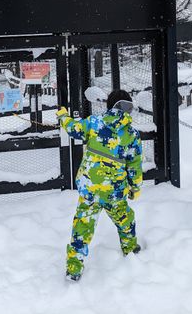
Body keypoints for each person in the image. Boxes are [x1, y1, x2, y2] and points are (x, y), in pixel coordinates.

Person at [56, 89, 142, 282]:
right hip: (115, 191)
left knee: (82, 226)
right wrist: (135, 187)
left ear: (110, 106)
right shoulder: (131, 134)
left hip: (90, 188)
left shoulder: (94, 123)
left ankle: (74, 268)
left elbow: (73, 128)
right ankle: (130, 249)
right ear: (128, 108)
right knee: (125, 219)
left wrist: (63, 116)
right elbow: (135, 165)